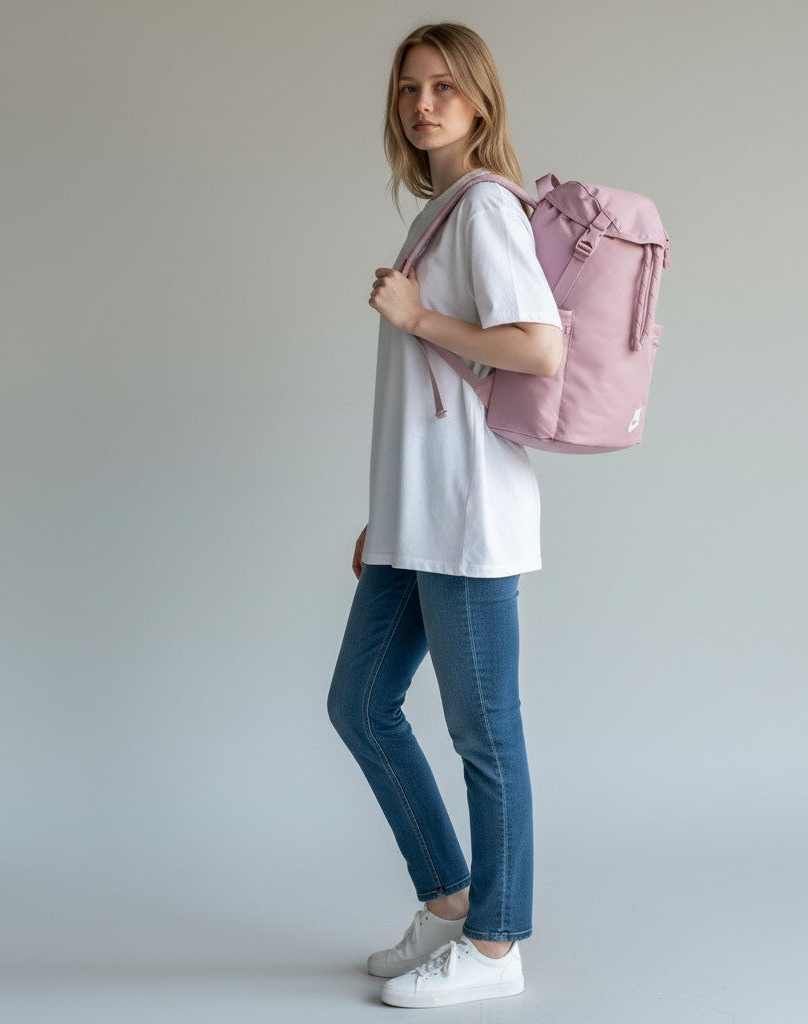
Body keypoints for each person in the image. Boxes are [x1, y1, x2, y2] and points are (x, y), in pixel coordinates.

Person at [326, 21, 564, 1009]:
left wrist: (418, 316)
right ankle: (449, 900)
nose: (422, 104)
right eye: (407, 88)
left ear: (479, 102)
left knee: (485, 733)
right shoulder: (437, 216)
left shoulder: (482, 213)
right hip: (416, 519)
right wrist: (383, 515)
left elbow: (539, 349)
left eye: (442, 88)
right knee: (360, 704)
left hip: (468, 518)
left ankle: (497, 947)